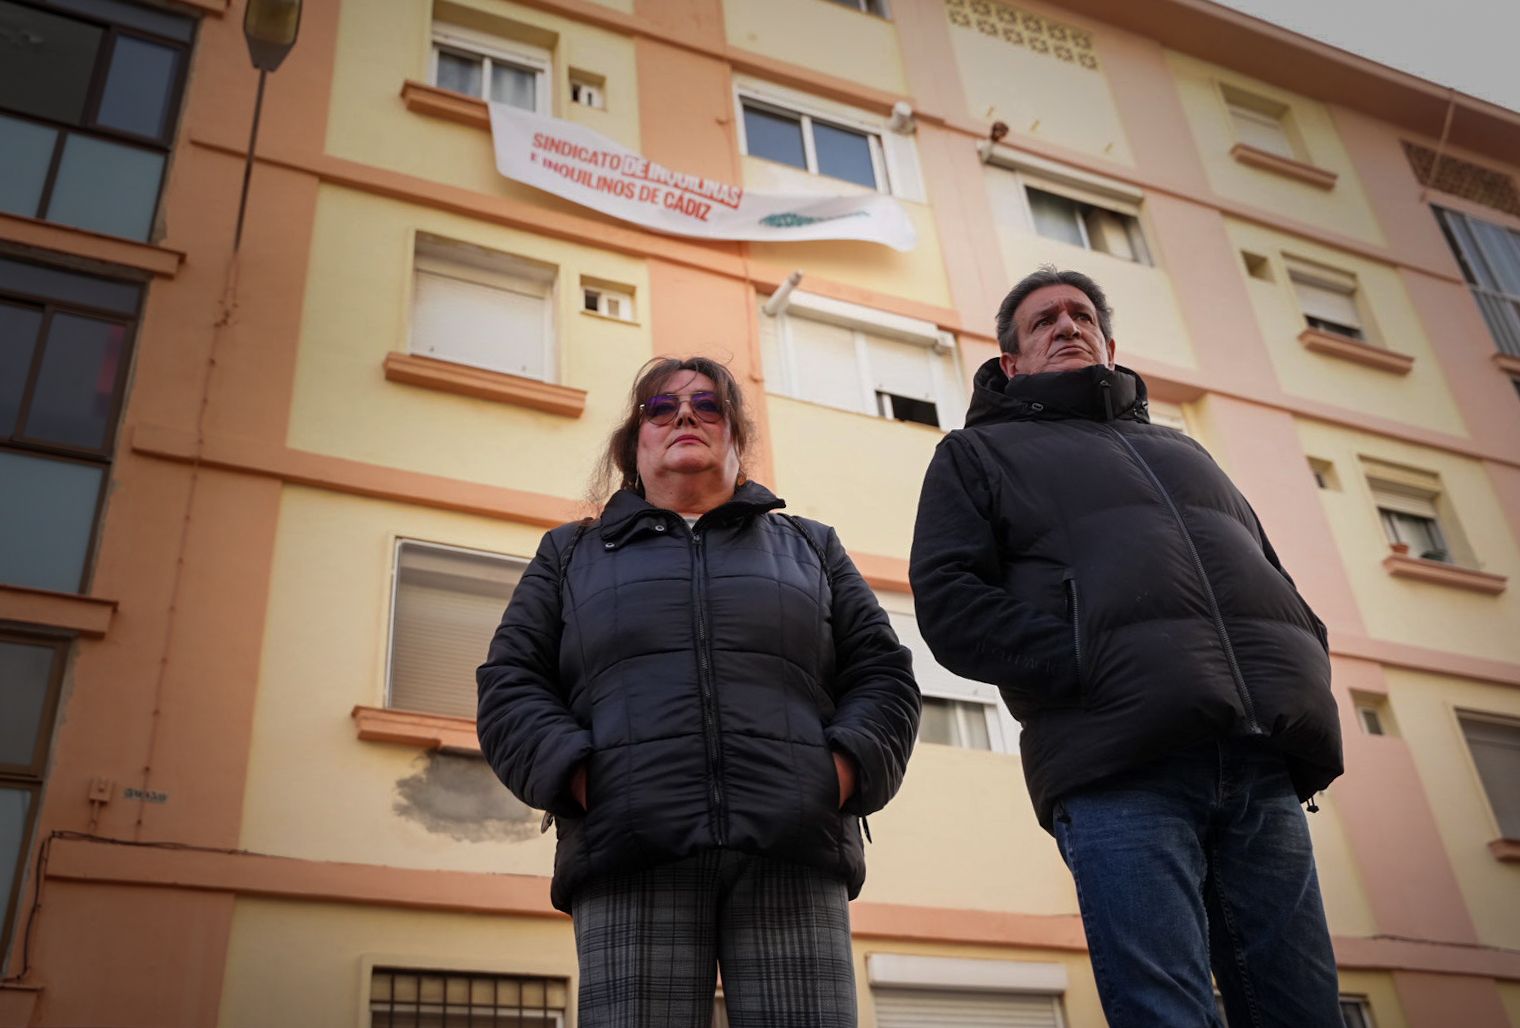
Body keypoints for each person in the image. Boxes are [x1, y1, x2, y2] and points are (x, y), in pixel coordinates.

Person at [909, 267, 1344, 1028]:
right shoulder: (976, 455)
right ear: (1011, 363)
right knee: (1166, 1013)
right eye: (1043, 321)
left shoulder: (1189, 454)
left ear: (1109, 344)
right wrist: (1095, 663)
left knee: (1304, 1012)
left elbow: (1271, 578)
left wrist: (1301, 664)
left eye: (1081, 316)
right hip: (1117, 767)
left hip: (1259, 765)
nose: (1066, 326)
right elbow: (952, 605)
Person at [478, 355, 920, 1028]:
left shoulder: (812, 548)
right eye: (662, 407)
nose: (685, 414)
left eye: (707, 405)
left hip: (792, 851)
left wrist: (834, 775)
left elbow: (884, 674)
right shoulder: (569, 555)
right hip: (630, 850)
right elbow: (509, 684)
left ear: (734, 435)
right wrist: (585, 779)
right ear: (636, 442)